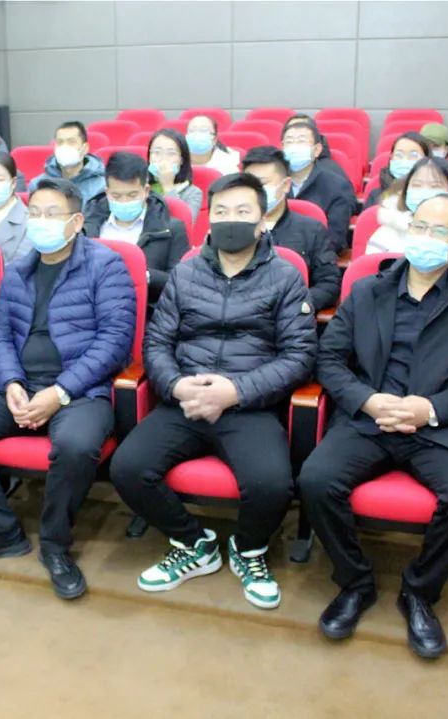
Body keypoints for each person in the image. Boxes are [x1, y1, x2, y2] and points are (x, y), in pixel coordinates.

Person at [298, 193, 448, 660]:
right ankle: (355, 582)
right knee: (315, 480)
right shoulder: (367, 290)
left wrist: (429, 408)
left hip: (438, 427)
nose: (426, 238)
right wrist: (367, 400)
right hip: (368, 418)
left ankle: (419, 591)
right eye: (419, 226)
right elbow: (329, 359)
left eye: (440, 232)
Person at [110, 172, 317, 609]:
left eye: (242, 211)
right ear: (209, 218)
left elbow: (299, 356)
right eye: (221, 211)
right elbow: (156, 343)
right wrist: (176, 384)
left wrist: (235, 391)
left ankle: (248, 549)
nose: (230, 220)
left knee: (272, 485)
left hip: (249, 404)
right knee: (127, 468)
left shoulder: (285, 276)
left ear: (262, 220)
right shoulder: (186, 273)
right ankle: (193, 544)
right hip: (185, 398)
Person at [0, 178, 137, 601]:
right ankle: (2, 529)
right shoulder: (19, 269)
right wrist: (10, 381)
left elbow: (115, 342)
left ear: (76, 222)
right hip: (23, 385)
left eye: (51, 214)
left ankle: (55, 544)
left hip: (82, 390)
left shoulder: (106, 265)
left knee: (76, 445)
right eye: (34, 213)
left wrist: (59, 393)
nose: (40, 221)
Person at [82, 151, 189, 306]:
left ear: (146, 191)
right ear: (107, 192)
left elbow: (182, 284)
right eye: (116, 196)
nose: (124, 201)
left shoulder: (171, 229)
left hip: (147, 309)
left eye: (132, 195)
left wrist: (144, 276)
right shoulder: (88, 226)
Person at [242, 146, 342, 310]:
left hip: (292, 315)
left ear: (286, 185)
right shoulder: (231, 228)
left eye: (263, 184)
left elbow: (329, 284)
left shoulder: (311, 230)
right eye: (249, 185)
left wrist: (294, 305)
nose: (256, 192)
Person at [366, 157, 448, 272]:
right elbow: (371, 277)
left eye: (435, 186)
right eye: (417, 185)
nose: (424, 191)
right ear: (406, 191)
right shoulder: (384, 235)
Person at [281, 120, 356, 252]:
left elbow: (335, 238)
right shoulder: (273, 183)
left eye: (301, 141)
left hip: (317, 257)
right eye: (289, 142)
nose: (294, 147)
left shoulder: (337, 186)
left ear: (317, 150)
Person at [28, 121, 106, 201]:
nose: (64, 147)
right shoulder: (38, 184)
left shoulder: (101, 186)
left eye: (71, 142)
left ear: (85, 148)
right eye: (60, 142)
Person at [366, 132, 430, 209]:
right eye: (399, 155)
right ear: (391, 158)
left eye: (413, 155)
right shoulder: (376, 196)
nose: (405, 161)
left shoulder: (432, 195)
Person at [147, 128, 203, 217]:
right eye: (157, 152)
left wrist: (168, 186)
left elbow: (184, 222)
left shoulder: (192, 193)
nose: (163, 159)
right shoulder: (141, 185)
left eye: (171, 153)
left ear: (181, 160)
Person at [282, 114, 349, 182]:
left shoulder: (332, 174)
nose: (295, 146)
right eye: (289, 141)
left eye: (301, 140)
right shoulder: (278, 170)